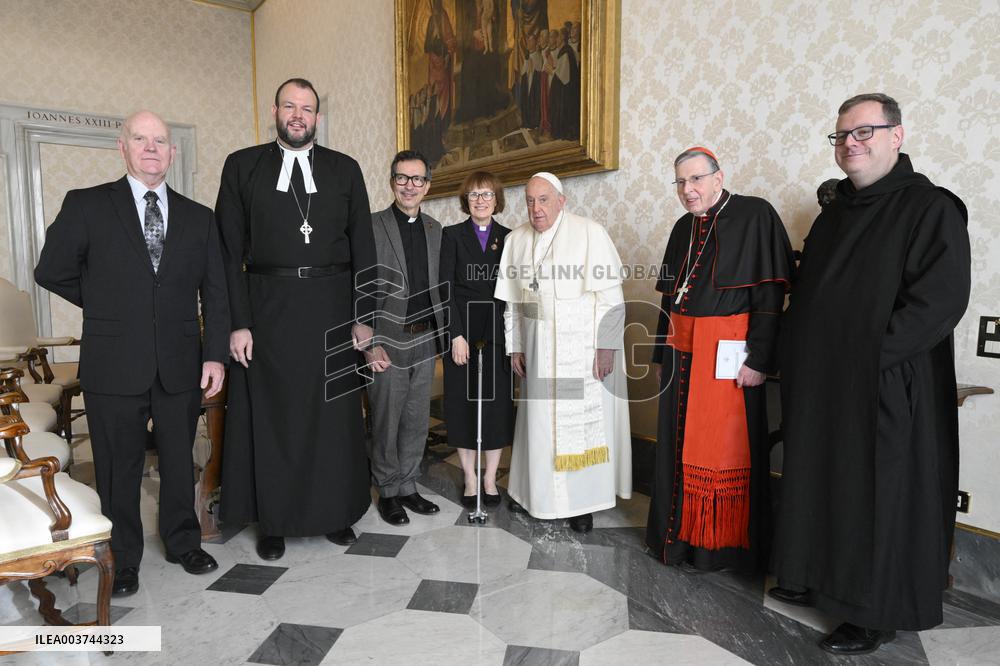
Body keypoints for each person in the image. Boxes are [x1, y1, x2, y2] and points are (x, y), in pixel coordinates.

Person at [771, 93, 971, 655]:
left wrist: (865, 358)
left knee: (879, 495)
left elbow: (939, 302)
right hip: (823, 381)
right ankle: (817, 576)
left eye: (863, 132)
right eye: (841, 136)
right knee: (824, 482)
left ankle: (874, 611)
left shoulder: (931, 207)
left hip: (885, 383)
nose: (850, 144)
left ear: (897, 136)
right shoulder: (835, 212)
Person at [35, 111, 229, 596]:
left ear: (172, 152)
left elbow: (217, 292)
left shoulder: (199, 217)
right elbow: (50, 270)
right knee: (118, 468)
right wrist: (107, 302)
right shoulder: (87, 205)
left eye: (160, 140)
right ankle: (123, 558)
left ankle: (184, 541)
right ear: (122, 148)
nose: (150, 148)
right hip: (113, 364)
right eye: (140, 139)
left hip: (181, 364)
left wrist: (214, 355)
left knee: (179, 461)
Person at [216, 78, 379, 561]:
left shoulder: (345, 170)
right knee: (274, 420)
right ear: (275, 111)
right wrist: (237, 321)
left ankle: (334, 513)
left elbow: (364, 248)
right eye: (290, 106)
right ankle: (274, 521)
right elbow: (227, 253)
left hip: (332, 308)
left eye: (306, 109)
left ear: (317, 118)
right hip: (266, 308)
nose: (298, 115)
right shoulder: (242, 166)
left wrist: (363, 316)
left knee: (332, 419)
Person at [644, 147, 794, 573]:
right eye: (680, 182)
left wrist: (760, 359)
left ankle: (719, 547)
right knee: (675, 445)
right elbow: (668, 298)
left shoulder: (755, 215)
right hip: (681, 352)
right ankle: (677, 541)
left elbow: (769, 296)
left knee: (725, 446)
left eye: (695, 179)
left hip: (730, 358)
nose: (688, 190)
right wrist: (659, 352)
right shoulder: (681, 228)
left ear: (718, 177)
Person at [494, 172, 631, 533]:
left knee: (581, 427)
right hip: (539, 349)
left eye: (543, 200)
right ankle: (536, 497)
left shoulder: (589, 232)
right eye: (529, 201)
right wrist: (516, 346)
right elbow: (516, 304)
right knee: (539, 426)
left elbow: (611, 298)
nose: (535, 209)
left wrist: (606, 347)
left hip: (583, 351)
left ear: (561, 201)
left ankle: (581, 504)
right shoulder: (517, 240)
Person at [365, 150, 446, 525]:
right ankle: (388, 490)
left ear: (427, 185)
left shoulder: (435, 229)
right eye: (402, 178)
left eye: (417, 179)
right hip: (387, 339)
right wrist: (368, 342)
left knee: (417, 417)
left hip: (425, 338)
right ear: (391, 181)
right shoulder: (371, 225)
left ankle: (409, 485)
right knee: (386, 418)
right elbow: (359, 288)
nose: (409, 186)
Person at [439, 171, 513, 507]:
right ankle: (469, 477)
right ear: (465, 200)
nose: (480, 200)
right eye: (474, 195)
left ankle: (489, 477)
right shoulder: (451, 235)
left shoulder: (511, 238)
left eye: (486, 194)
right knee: (462, 404)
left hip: (498, 331)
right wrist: (455, 334)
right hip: (462, 331)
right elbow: (446, 289)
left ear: (496, 200)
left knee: (496, 406)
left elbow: (515, 292)